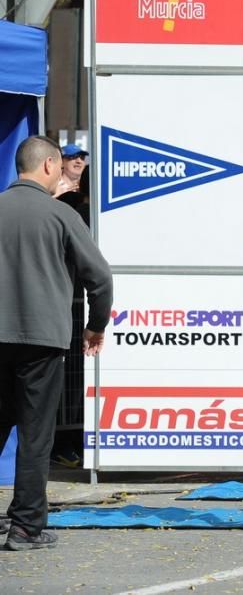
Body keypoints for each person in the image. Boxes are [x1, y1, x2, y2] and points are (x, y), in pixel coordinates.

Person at [0, 136, 113, 550]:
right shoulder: (60, 215)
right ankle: (26, 527)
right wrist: (95, 325)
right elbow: (99, 279)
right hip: (41, 340)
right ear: (49, 166)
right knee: (35, 435)